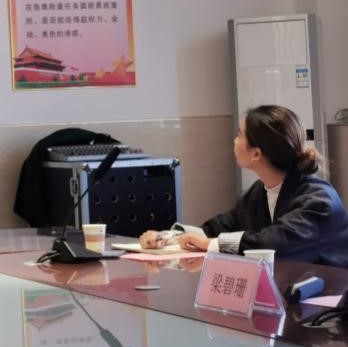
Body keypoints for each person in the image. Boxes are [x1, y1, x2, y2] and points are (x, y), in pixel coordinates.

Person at [139, 105, 348, 267]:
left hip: (329, 303)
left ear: (256, 153)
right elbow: (219, 228)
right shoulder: (258, 192)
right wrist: (167, 237)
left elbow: (273, 243)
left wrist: (210, 244)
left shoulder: (319, 202)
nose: (234, 140)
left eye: (239, 135)